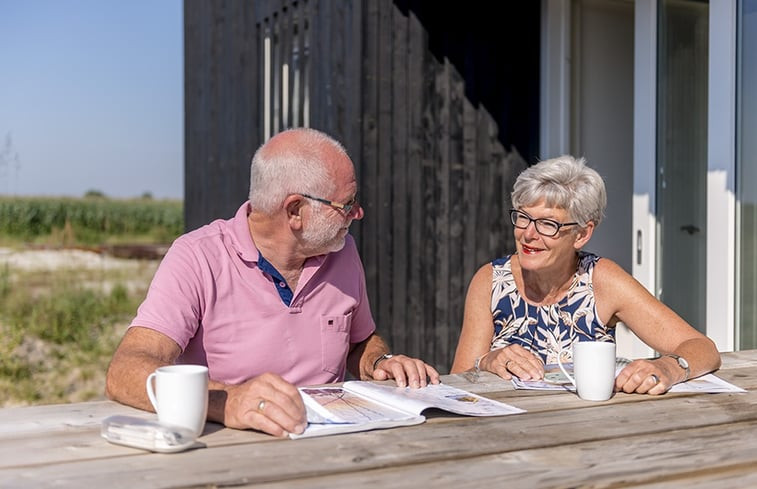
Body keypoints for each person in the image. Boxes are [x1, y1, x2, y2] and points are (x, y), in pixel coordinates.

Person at [106, 128, 439, 437]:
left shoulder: (343, 250)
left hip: (333, 448)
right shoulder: (197, 257)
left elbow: (358, 342)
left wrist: (379, 362)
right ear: (294, 210)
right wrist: (228, 402)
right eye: (347, 205)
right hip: (228, 453)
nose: (359, 213)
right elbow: (126, 372)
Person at [450, 155, 721, 394]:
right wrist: (487, 361)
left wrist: (667, 368)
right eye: (523, 217)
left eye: (547, 224)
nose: (529, 234)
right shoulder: (491, 280)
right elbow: (457, 383)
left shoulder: (600, 279)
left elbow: (701, 347)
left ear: (581, 234)